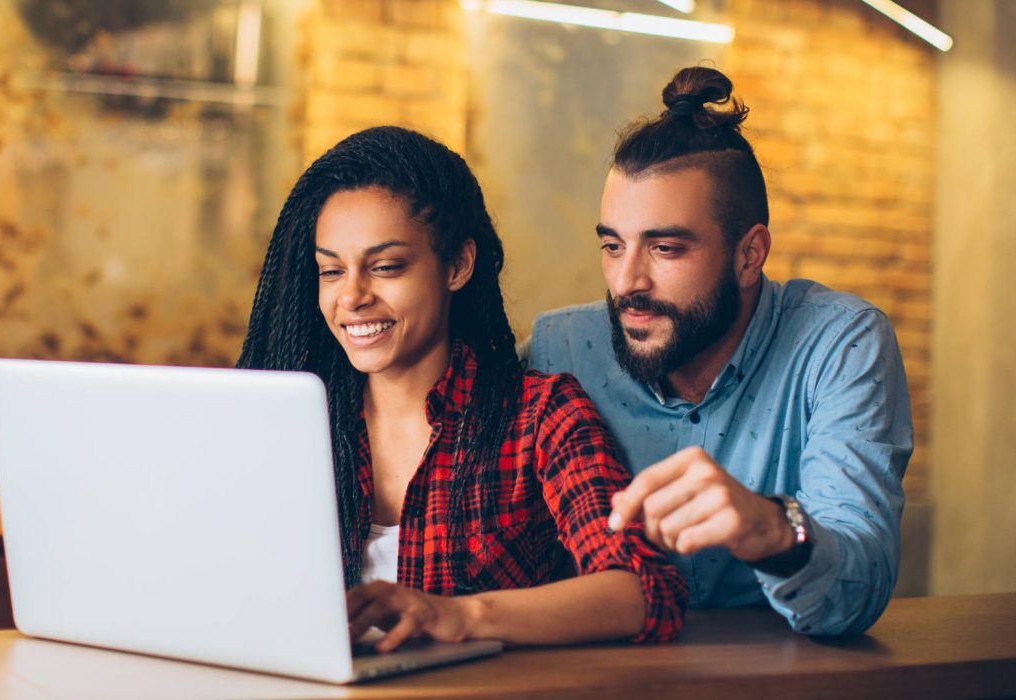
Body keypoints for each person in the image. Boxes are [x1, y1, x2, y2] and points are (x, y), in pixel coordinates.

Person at [237, 126, 686, 652]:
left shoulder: (540, 417)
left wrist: (457, 615)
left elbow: (645, 592)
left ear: (457, 265)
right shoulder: (288, 423)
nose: (352, 296)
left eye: (386, 267)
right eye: (331, 271)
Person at [526, 67, 912, 636]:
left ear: (749, 254)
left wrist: (773, 530)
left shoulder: (840, 344)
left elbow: (860, 587)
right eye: (613, 246)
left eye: (665, 248)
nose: (627, 281)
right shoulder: (558, 350)